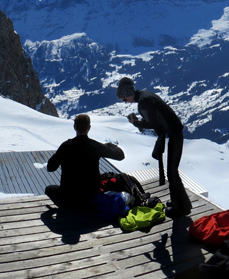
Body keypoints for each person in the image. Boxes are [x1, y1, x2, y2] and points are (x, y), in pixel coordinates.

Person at [117, 77, 192, 217]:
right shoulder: (146, 94)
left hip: (174, 134)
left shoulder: (143, 103)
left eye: (123, 98)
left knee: (172, 173)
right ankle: (181, 203)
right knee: (172, 171)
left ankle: (180, 208)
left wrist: (136, 123)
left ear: (128, 94)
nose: (124, 101)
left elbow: (154, 124)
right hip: (175, 132)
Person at [44, 114, 126, 210]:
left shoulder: (65, 146)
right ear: (89, 128)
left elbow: (50, 168)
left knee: (49, 189)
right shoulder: (95, 146)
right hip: (90, 198)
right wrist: (109, 145)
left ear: (74, 127)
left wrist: (60, 155)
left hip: (68, 197)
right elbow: (120, 155)